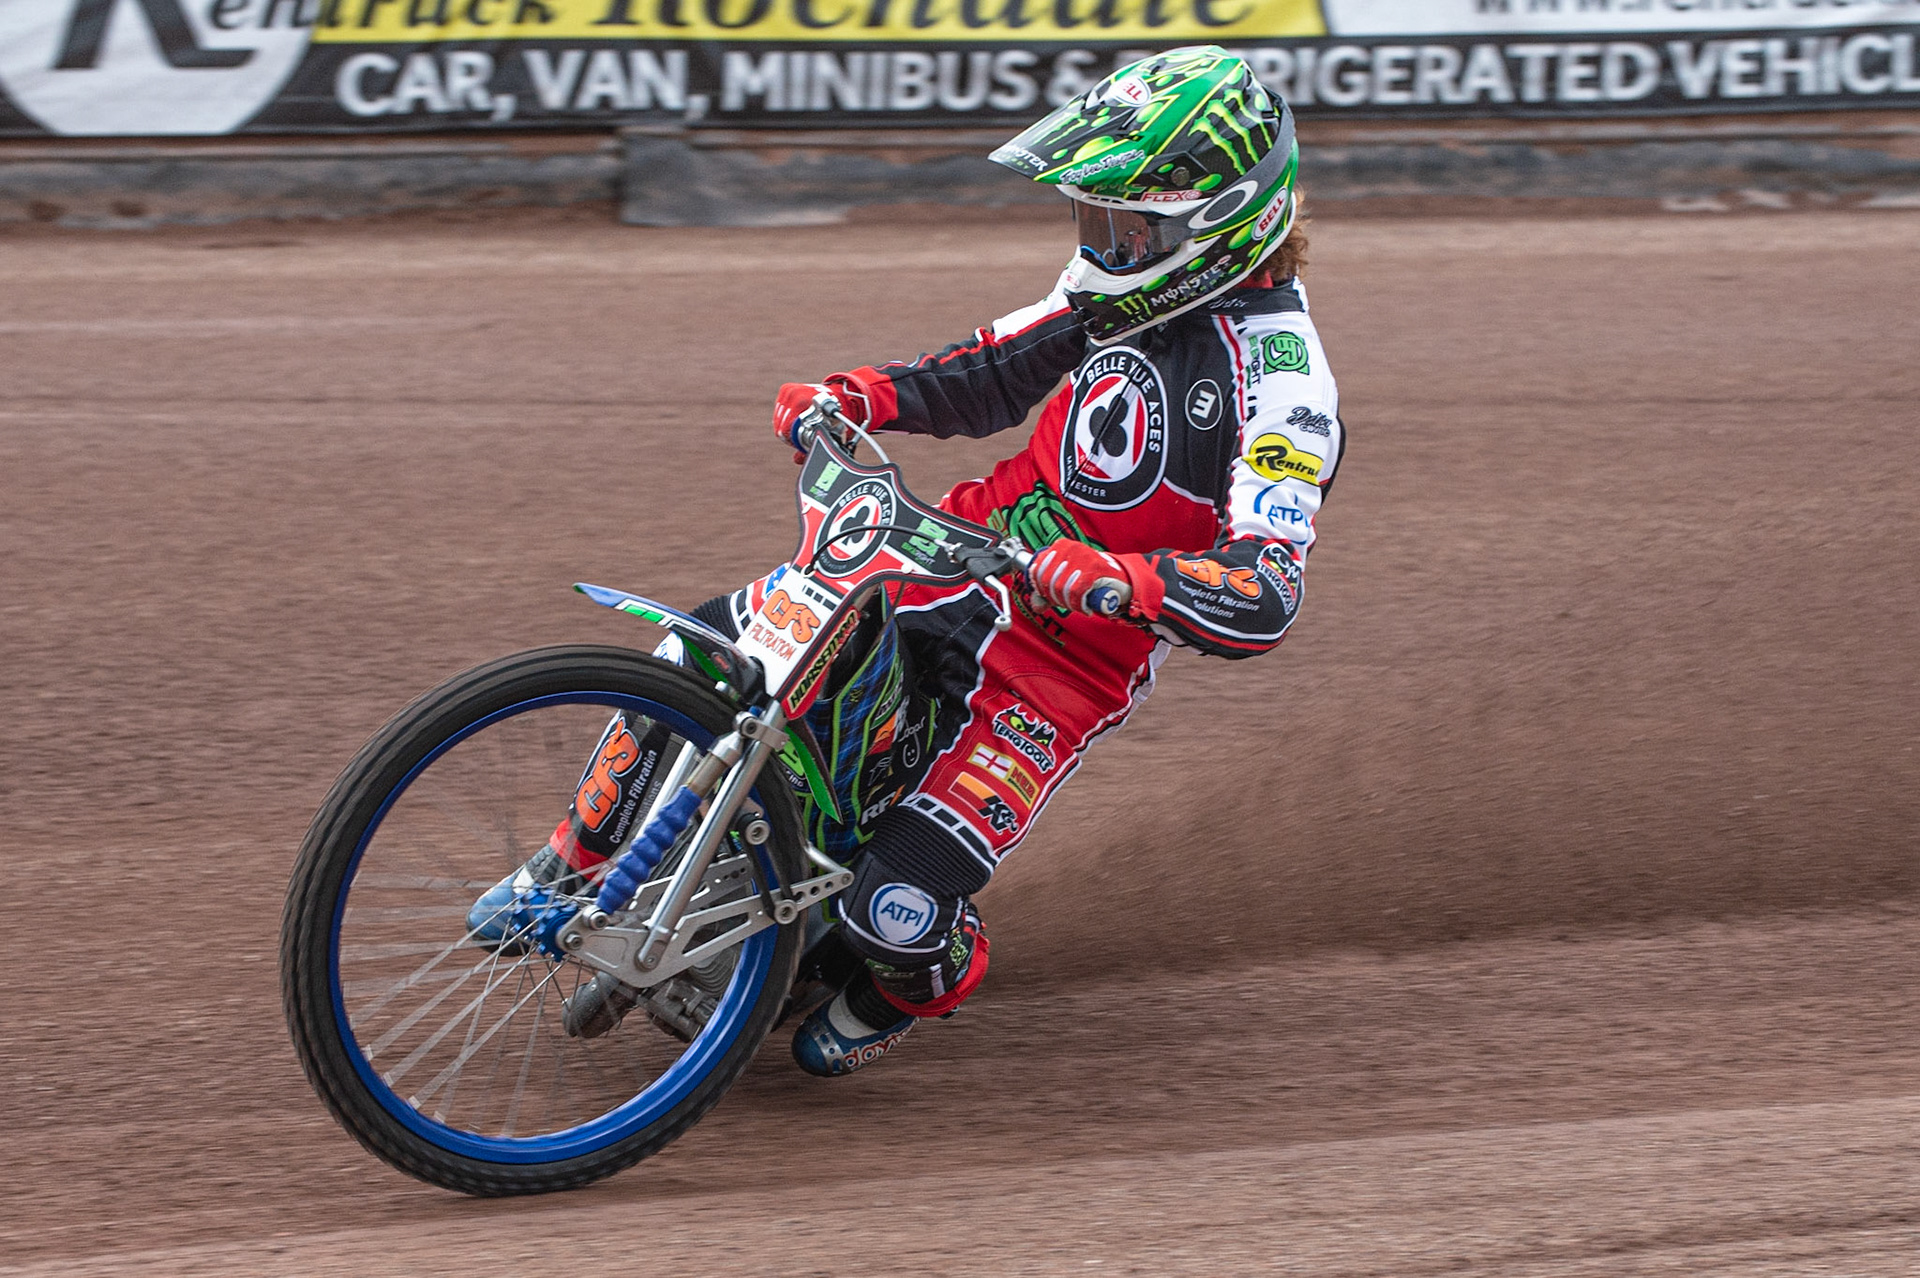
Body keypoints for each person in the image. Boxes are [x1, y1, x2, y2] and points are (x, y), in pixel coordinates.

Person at [474, 45, 1344, 1077]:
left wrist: (1124, 580)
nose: (1099, 242)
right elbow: (985, 371)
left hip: (1060, 668)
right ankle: (563, 864)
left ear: (1217, 224)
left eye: (1125, 224)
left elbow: (1266, 590)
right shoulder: (1114, 297)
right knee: (697, 655)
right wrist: (855, 396)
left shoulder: (1286, 389)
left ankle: (918, 973)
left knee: (897, 911)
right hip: (940, 563)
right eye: (1093, 217)